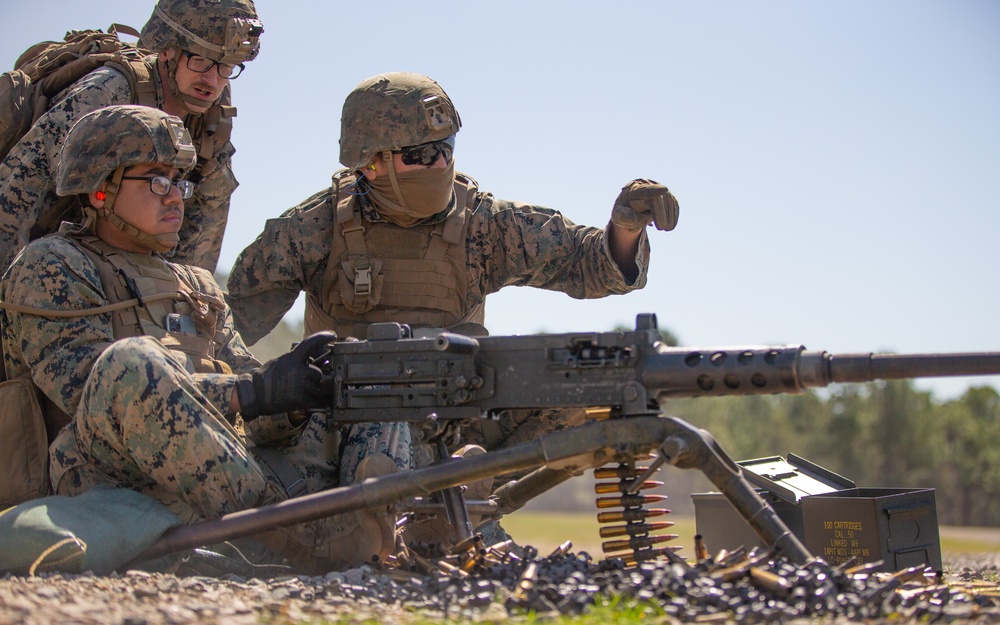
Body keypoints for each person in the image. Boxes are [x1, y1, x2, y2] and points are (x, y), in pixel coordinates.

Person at [226, 72, 680, 548]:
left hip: (453, 423)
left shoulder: (482, 224)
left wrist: (625, 229)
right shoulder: (315, 228)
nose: (440, 161)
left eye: (447, 146)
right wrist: (268, 400)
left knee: (574, 380)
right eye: (421, 154)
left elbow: (587, 262)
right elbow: (229, 324)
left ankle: (461, 507)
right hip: (344, 429)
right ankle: (387, 520)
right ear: (370, 162)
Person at [0, 105, 409, 573]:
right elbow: (94, 394)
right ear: (99, 189)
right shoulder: (51, 265)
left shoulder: (197, 285)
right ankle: (302, 539)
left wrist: (291, 394)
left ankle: (378, 528)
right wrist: (248, 393)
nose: (177, 197)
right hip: (102, 476)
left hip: (219, 472)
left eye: (181, 181)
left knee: (367, 374)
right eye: (157, 180)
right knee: (129, 363)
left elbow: (253, 410)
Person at [0, 0, 264, 273]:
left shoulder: (211, 123)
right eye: (200, 60)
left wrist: (183, 302)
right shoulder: (107, 92)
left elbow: (203, 231)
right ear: (167, 50)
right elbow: (16, 195)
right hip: (40, 258)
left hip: (108, 266)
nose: (212, 81)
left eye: (227, 67)